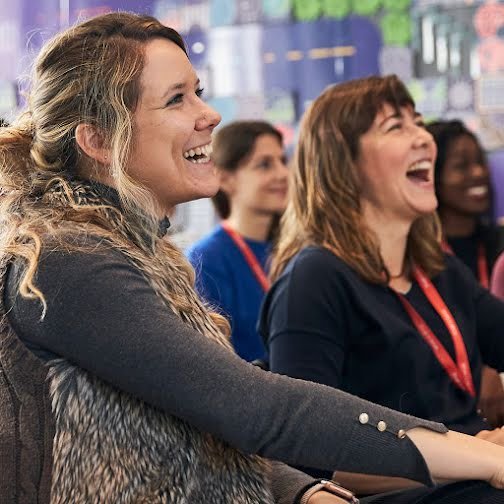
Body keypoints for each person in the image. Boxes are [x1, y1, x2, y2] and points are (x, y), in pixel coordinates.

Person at [1, 14, 504, 504]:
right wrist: (480, 456)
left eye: (197, 90)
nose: (209, 113)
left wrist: (302, 490)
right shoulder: (66, 261)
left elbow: (206, 425)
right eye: (177, 99)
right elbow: (255, 408)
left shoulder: (132, 253)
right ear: (99, 140)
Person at [259, 74, 504, 498]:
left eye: (419, 122)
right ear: (344, 162)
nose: (424, 139)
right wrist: (475, 456)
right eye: (396, 127)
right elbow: (306, 458)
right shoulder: (314, 278)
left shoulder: (437, 268)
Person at [187, 120, 288, 362]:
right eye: (264, 165)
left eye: (282, 162)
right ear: (225, 179)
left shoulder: (297, 246)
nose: (283, 174)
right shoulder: (206, 261)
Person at [427, 119, 504, 428]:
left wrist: (491, 367)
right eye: (461, 166)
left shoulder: (499, 243)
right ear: (431, 176)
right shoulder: (422, 258)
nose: (478, 173)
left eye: (479, 162)